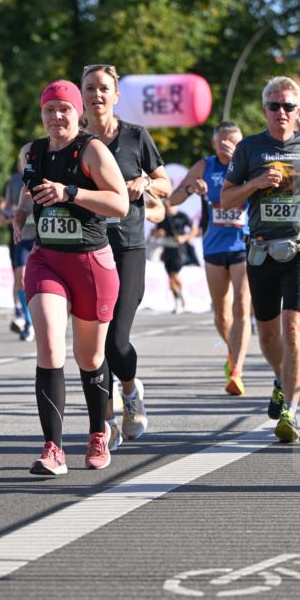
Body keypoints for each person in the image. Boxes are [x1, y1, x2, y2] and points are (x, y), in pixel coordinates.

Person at [13, 80, 128, 476]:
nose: (57, 116)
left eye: (64, 109)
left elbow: (120, 203)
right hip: (46, 260)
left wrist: (71, 192)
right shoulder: (31, 152)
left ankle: (98, 432)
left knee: (90, 358)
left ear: (77, 112)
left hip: (91, 263)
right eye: (50, 109)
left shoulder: (91, 150)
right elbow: (29, 187)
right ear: (41, 113)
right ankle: (53, 449)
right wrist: (20, 210)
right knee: (48, 347)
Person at [222, 76, 300, 443]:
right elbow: (226, 198)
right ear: (265, 110)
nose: (281, 112)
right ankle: (279, 377)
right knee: (269, 334)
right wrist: (255, 184)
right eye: (275, 106)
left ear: (298, 110)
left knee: (293, 330)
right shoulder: (249, 148)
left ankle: (291, 409)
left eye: (288, 106)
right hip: (261, 250)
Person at [81, 63, 170, 448]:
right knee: (93, 343)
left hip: (128, 246)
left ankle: (131, 392)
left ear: (116, 96)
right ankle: (105, 422)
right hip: (86, 247)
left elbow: (166, 184)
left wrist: (145, 181)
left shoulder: (136, 137)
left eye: (104, 88)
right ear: (81, 95)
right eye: (89, 88)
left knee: (117, 341)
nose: (96, 94)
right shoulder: (74, 140)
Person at [169, 121, 250, 395]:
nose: (228, 145)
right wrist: (191, 189)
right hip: (214, 247)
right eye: (223, 141)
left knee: (242, 305)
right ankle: (233, 350)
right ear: (214, 144)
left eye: (234, 141)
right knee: (221, 315)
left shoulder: (248, 166)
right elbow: (173, 199)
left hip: (242, 245)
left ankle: (237, 370)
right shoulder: (205, 166)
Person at [0, 158, 36, 341]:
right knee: (20, 278)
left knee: (38, 280)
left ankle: (39, 317)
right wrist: (9, 213)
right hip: (22, 236)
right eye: (21, 159)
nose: (24, 162)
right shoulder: (13, 181)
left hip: (41, 236)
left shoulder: (45, 173)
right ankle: (26, 320)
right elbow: (4, 208)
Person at [153, 201, 201, 313]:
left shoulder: (182, 216)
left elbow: (195, 230)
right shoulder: (162, 217)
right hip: (167, 248)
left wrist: (184, 238)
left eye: (169, 205)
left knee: (174, 274)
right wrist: (159, 233)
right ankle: (178, 298)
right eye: (165, 206)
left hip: (180, 249)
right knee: (170, 277)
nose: (168, 207)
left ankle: (180, 296)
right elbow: (155, 233)